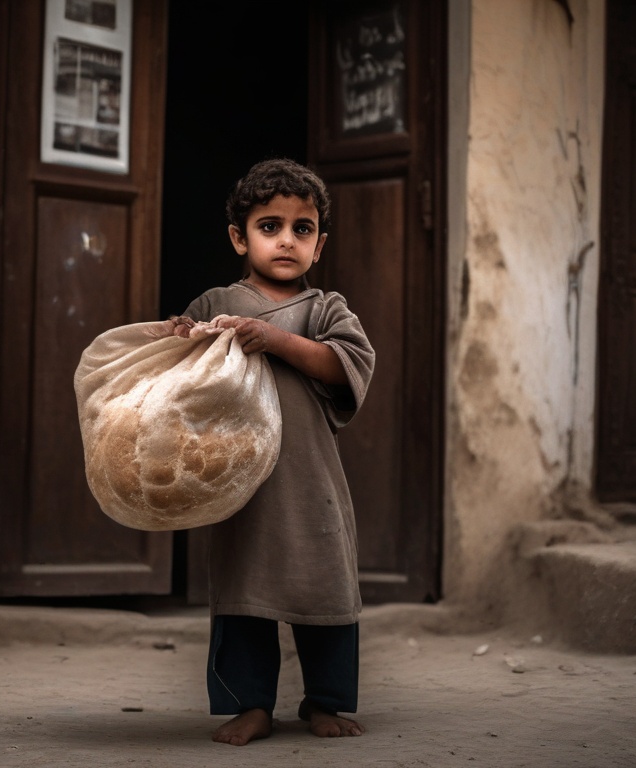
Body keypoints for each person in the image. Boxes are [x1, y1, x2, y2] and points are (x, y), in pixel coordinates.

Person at [170, 158, 376, 746]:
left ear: (319, 243)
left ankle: (326, 702)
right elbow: (184, 373)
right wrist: (176, 338)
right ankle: (251, 704)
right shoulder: (215, 303)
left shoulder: (326, 309)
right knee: (243, 592)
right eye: (269, 226)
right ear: (240, 237)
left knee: (326, 587)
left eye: (302, 228)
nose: (287, 239)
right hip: (243, 485)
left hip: (310, 482)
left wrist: (278, 341)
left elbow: (348, 364)